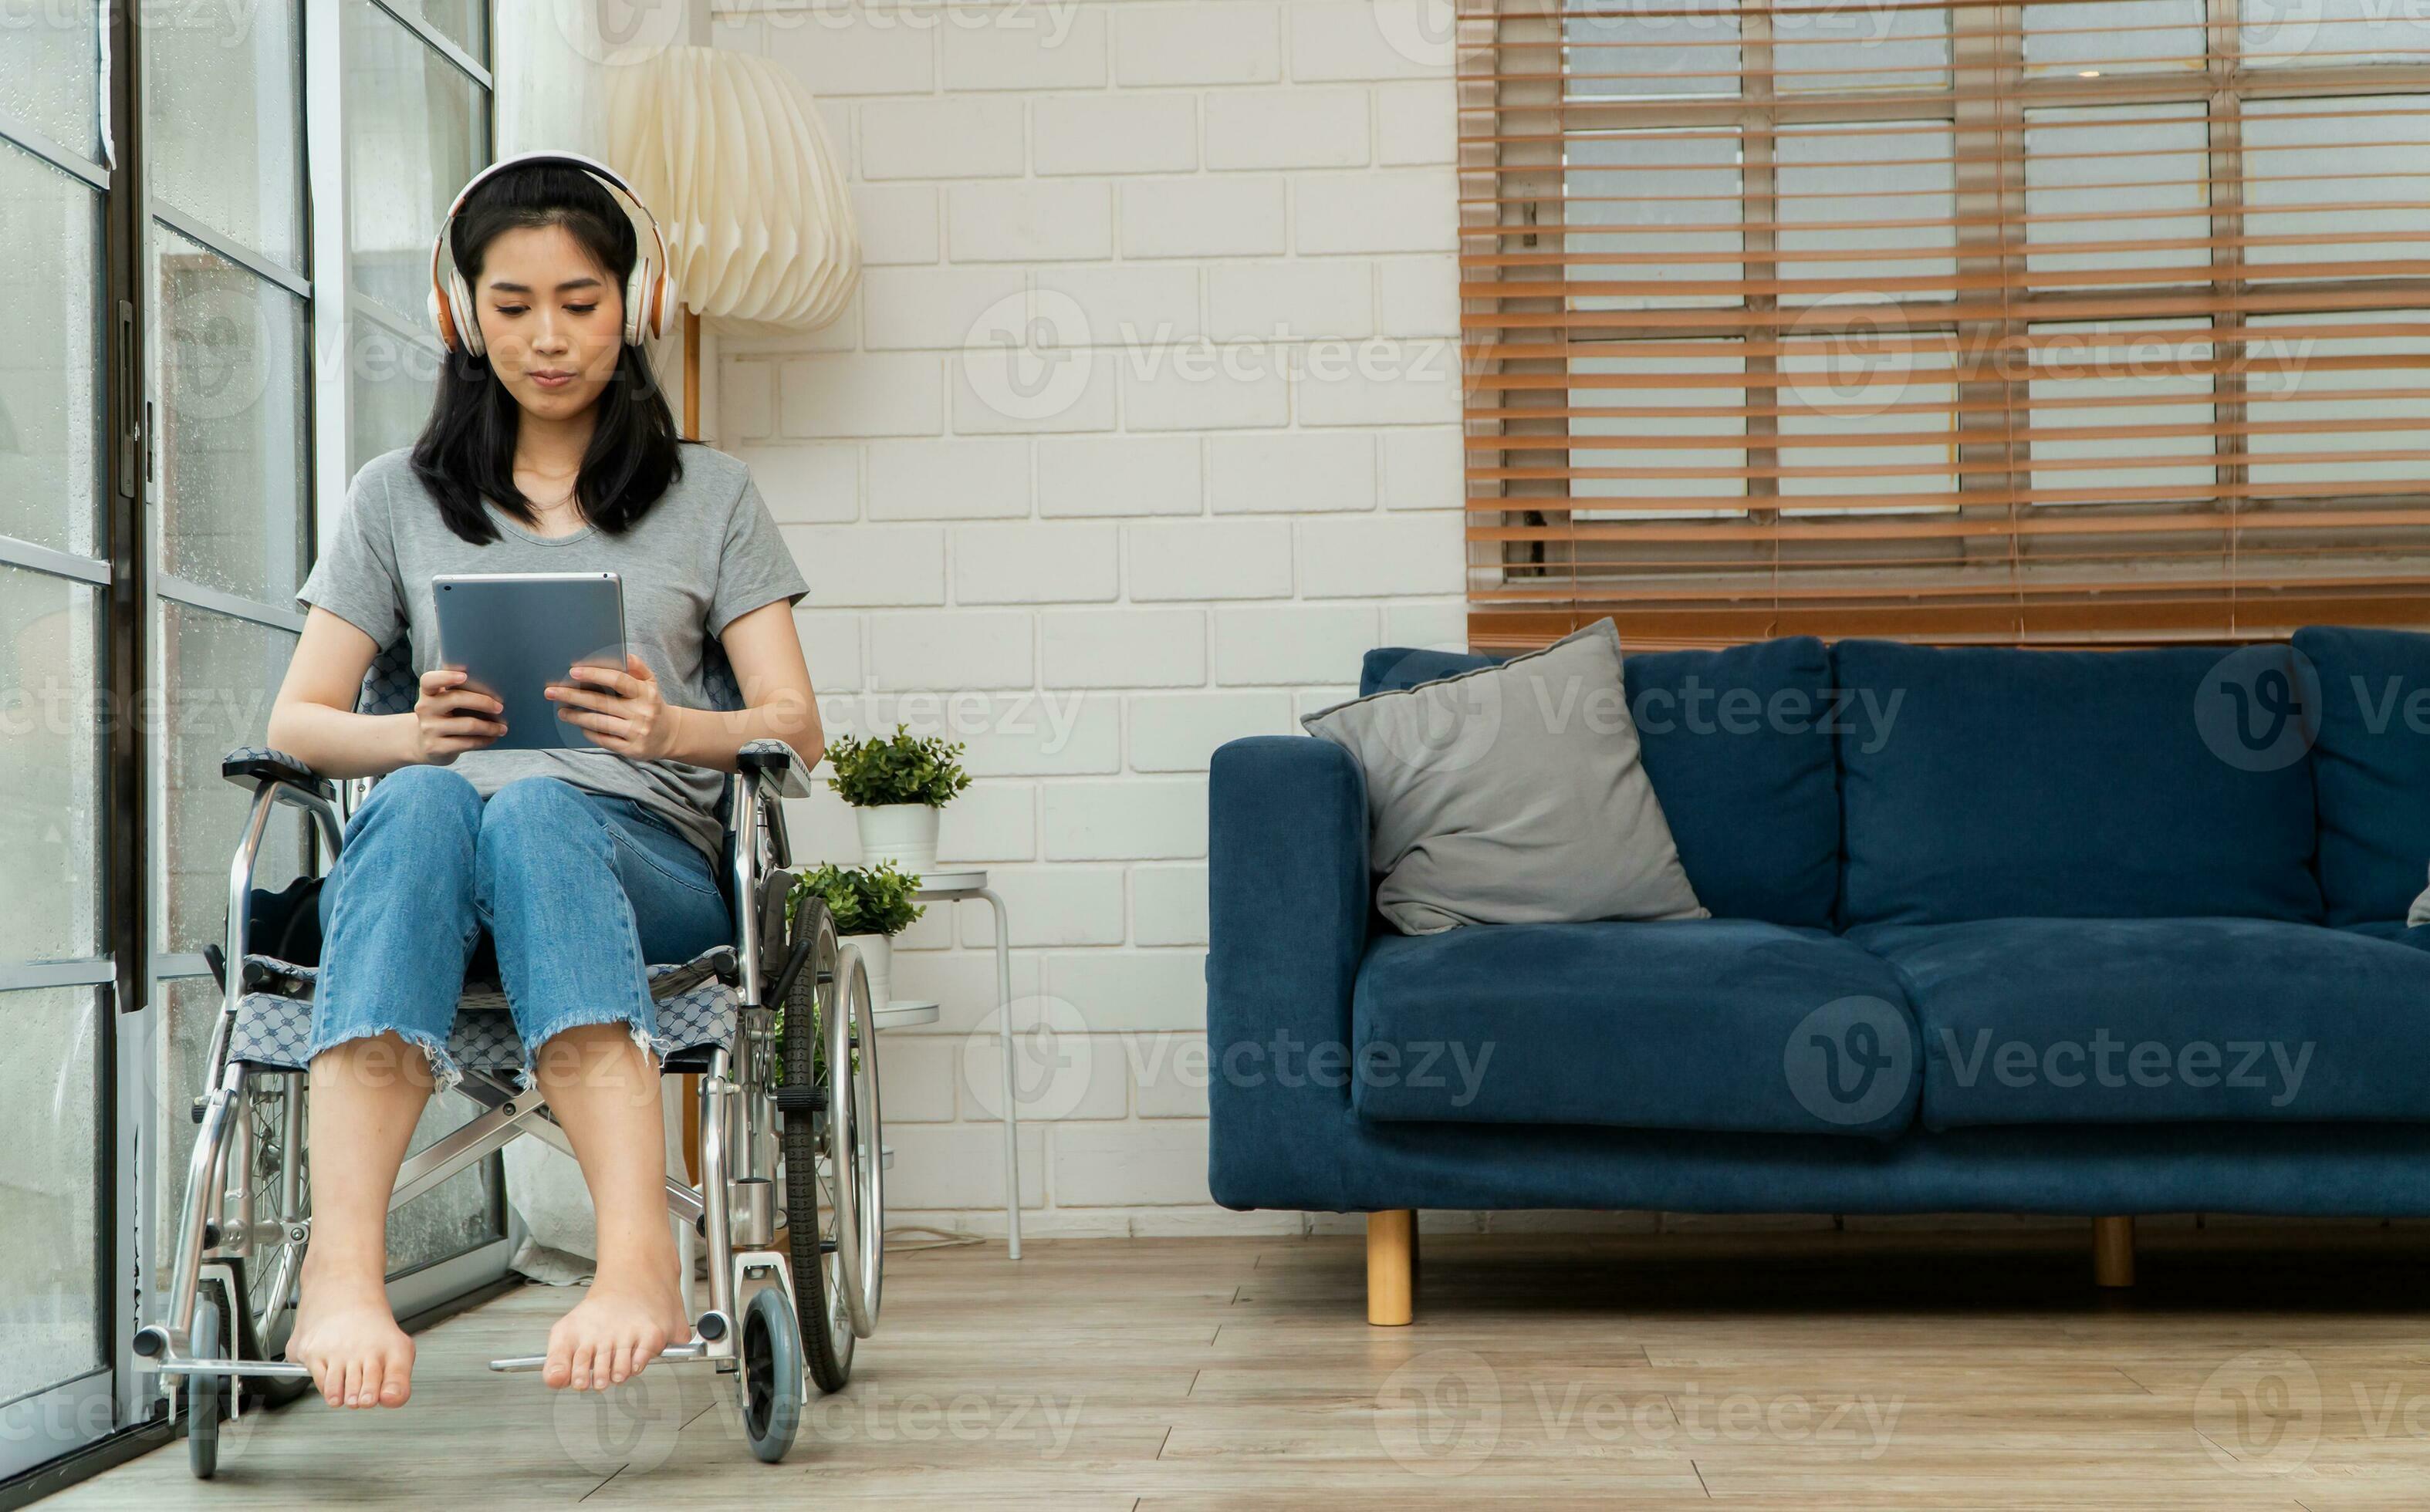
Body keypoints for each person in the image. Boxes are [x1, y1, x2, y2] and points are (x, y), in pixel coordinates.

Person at [262, 152, 820, 1412]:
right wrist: (411, 735)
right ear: (463, 318)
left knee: (542, 809)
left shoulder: (713, 493)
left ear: (637, 305)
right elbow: (296, 718)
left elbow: (795, 724)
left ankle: (636, 1260)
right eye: (511, 307)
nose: (548, 337)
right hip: (438, 849)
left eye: (578, 301)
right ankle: (342, 1272)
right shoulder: (394, 501)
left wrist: (670, 727)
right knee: (427, 800)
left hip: (645, 864)